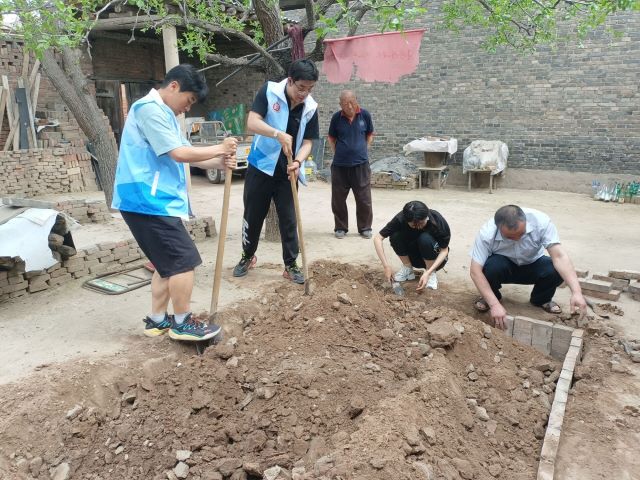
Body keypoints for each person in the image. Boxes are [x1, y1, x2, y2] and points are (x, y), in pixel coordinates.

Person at [112, 64, 238, 342]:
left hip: (150, 199)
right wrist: (220, 147)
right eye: (189, 100)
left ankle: (157, 320)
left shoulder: (164, 114)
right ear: (174, 86)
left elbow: (185, 154)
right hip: (147, 200)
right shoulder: (149, 110)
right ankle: (182, 323)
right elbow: (179, 153)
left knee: (165, 264)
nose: (186, 108)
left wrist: (218, 161)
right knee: (183, 261)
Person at [232, 59, 320, 284]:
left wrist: (298, 162)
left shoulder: (310, 107)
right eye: (301, 88)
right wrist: (277, 134)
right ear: (290, 81)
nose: (304, 94)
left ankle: (291, 264)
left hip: (288, 172)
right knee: (253, 215)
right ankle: (247, 256)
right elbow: (252, 122)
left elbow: (309, 141)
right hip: (260, 166)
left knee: (289, 220)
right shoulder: (269, 92)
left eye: (310, 89)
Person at [470, 204, 587, 329]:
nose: (517, 240)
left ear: (525, 222)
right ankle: (491, 298)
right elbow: (475, 271)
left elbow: (559, 257)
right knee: (490, 267)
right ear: (498, 228)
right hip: (503, 266)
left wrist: (576, 292)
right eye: (510, 237)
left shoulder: (541, 222)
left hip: (532, 263)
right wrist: (494, 305)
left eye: (521, 234)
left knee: (554, 269)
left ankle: (542, 299)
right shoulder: (486, 233)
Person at [327, 90, 374, 239]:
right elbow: (331, 138)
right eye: (345, 104)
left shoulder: (365, 115)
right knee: (338, 198)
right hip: (340, 166)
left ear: (356, 100)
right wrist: (338, 154)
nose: (349, 106)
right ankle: (340, 227)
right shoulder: (336, 118)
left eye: (352, 102)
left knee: (364, 198)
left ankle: (365, 227)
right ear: (340, 104)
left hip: (361, 165)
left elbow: (369, 135)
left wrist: (363, 151)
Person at [373, 200, 450, 291]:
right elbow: (378, 238)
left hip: (435, 259)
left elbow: (444, 250)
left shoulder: (437, 220)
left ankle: (431, 274)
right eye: (414, 225)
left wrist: (428, 272)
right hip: (414, 257)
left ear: (427, 216)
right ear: (406, 220)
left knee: (425, 238)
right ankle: (407, 268)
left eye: (421, 223)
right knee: (395, 236)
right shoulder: (400, 218)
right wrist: (386, 266)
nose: (419, 227)